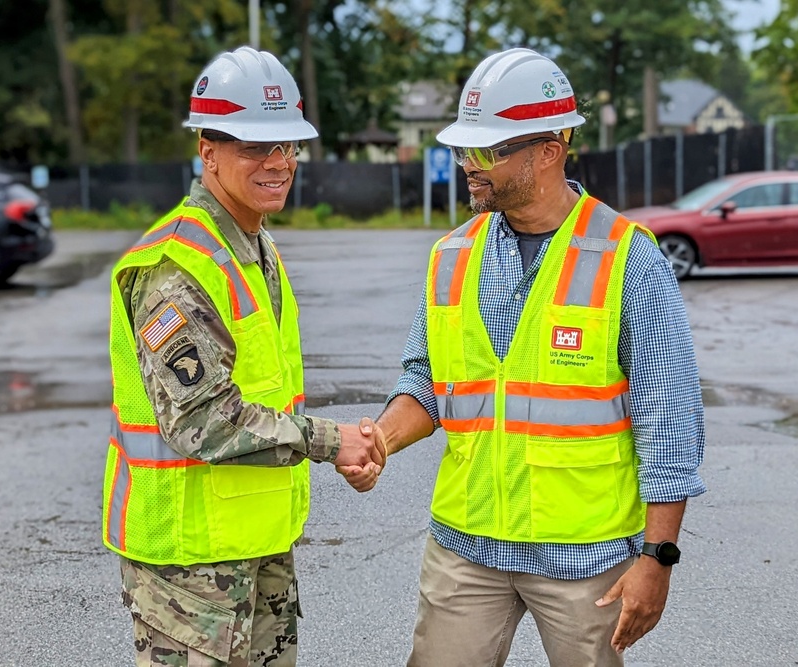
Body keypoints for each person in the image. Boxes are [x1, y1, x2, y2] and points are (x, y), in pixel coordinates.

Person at [343, 48, 706, 665]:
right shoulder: (450, 255)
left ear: (549, 149)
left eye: (487, 151)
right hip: (466, 548)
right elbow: (427, 386)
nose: (469, 166)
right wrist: (382, 437)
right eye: (464, 150)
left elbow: (668, 421)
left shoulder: (628, 258)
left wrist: (658, 557)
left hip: (585, 558)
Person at [103, 46, 385, 667]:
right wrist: (330, 440)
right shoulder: (177, 266)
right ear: (208, 153)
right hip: (188, 564)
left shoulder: (254, 244)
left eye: (287, 146)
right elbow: (202, 420)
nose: (278, 162)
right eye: (256, 146)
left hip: (255, 543)